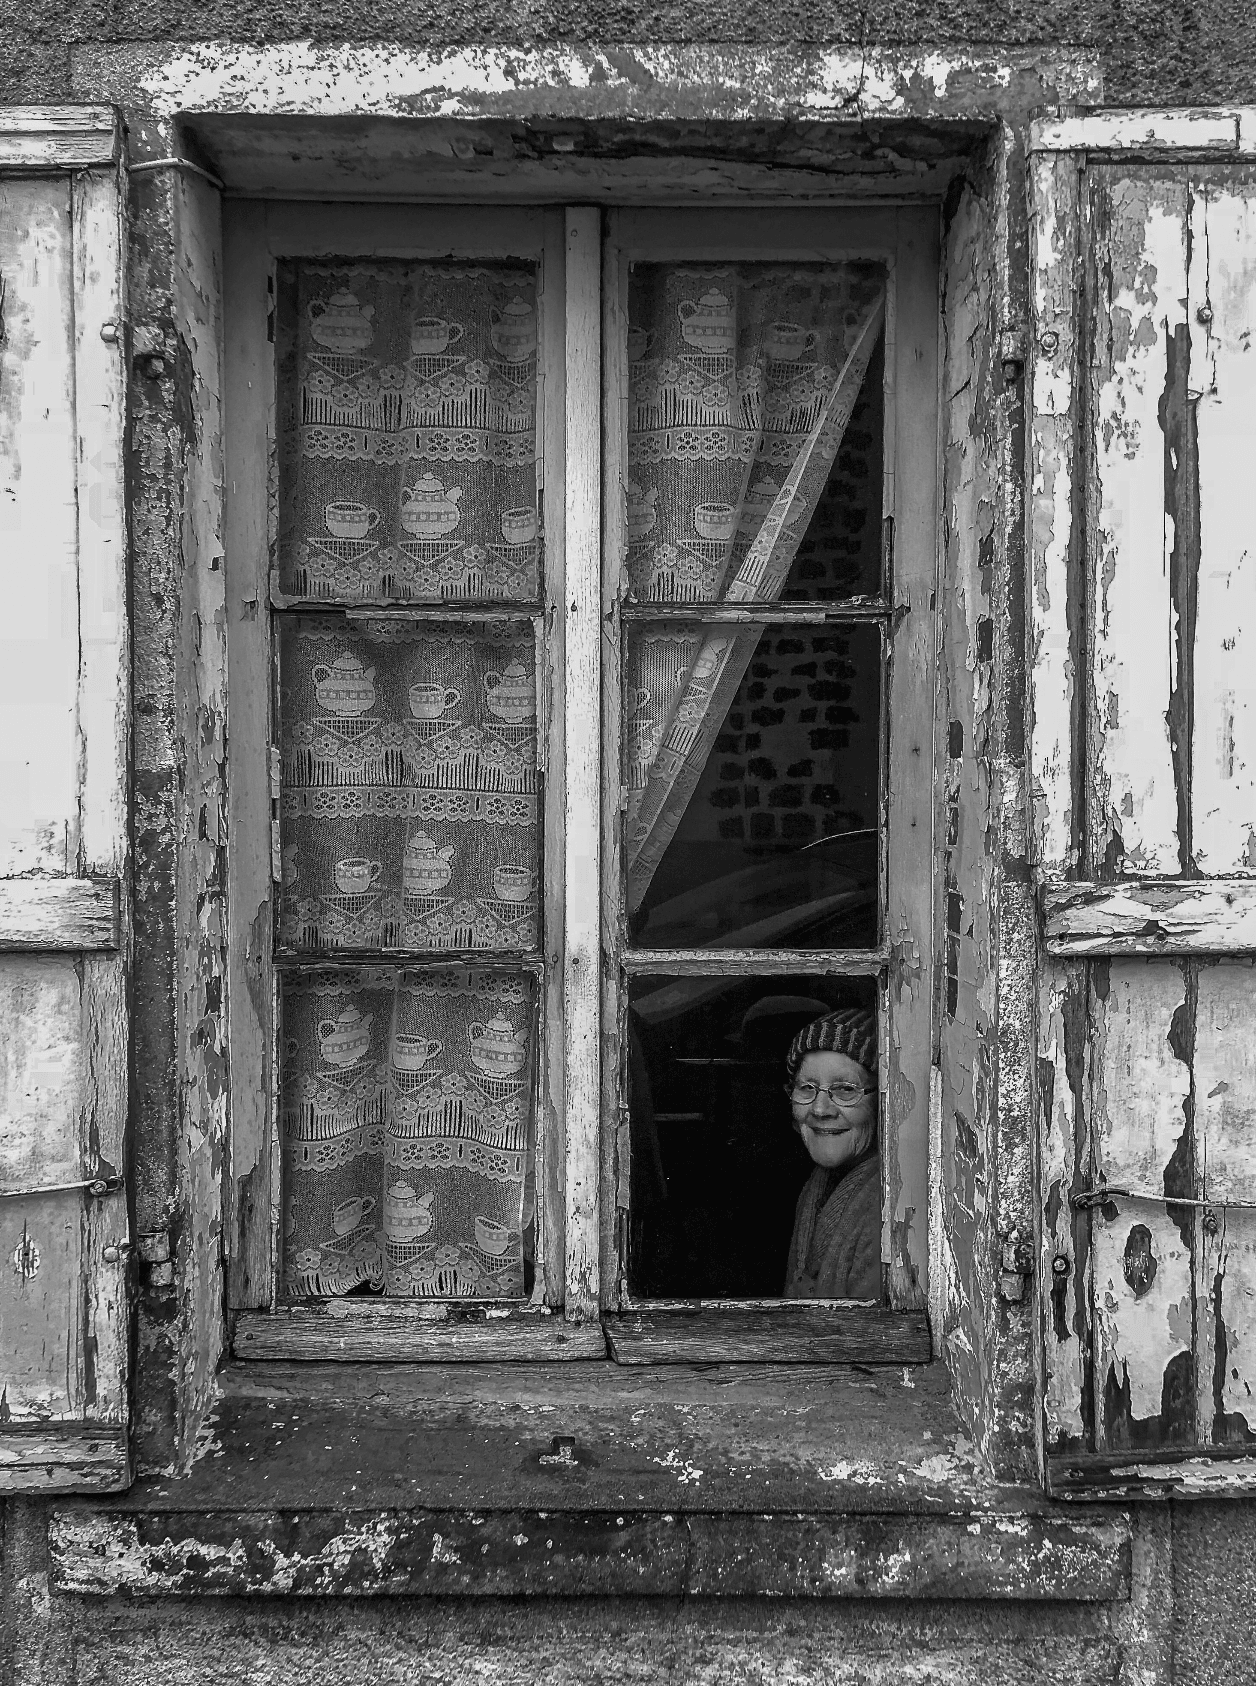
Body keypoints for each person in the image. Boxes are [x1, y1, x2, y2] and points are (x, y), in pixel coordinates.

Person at [782, 1007, 881, 1300]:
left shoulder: (890, 1208)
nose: (820, 1109)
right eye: (807, 1088)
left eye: (845, 1090)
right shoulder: (818, 1185)